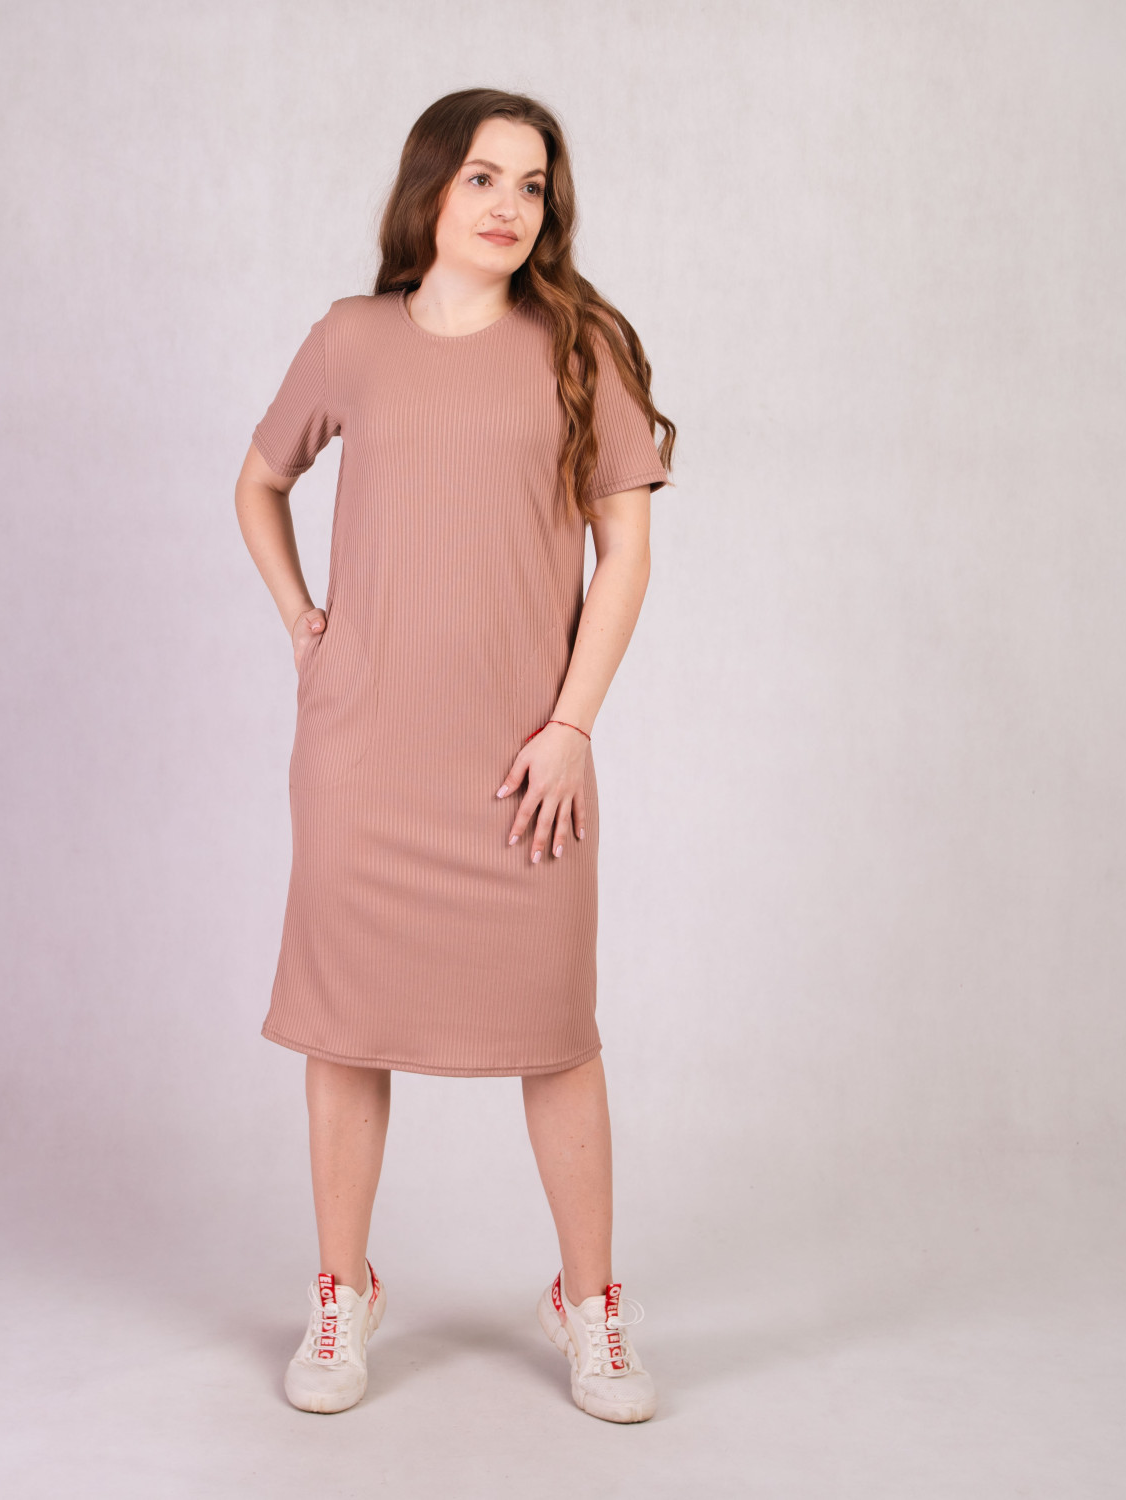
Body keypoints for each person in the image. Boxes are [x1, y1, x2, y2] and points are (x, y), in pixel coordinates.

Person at [234, 87, 676, 1423]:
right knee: (345, 1025)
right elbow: (259, 480)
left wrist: (571, 727)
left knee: (557, 1034)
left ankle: (590, 1305)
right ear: (430, 186)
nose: (508, 205)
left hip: (520, 768)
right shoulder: (351, 339)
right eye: (484, 176)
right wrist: (305, 624)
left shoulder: (579, 346)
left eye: (532, 185)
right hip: (362, 759)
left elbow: (626, 551)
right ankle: (342, 1291)